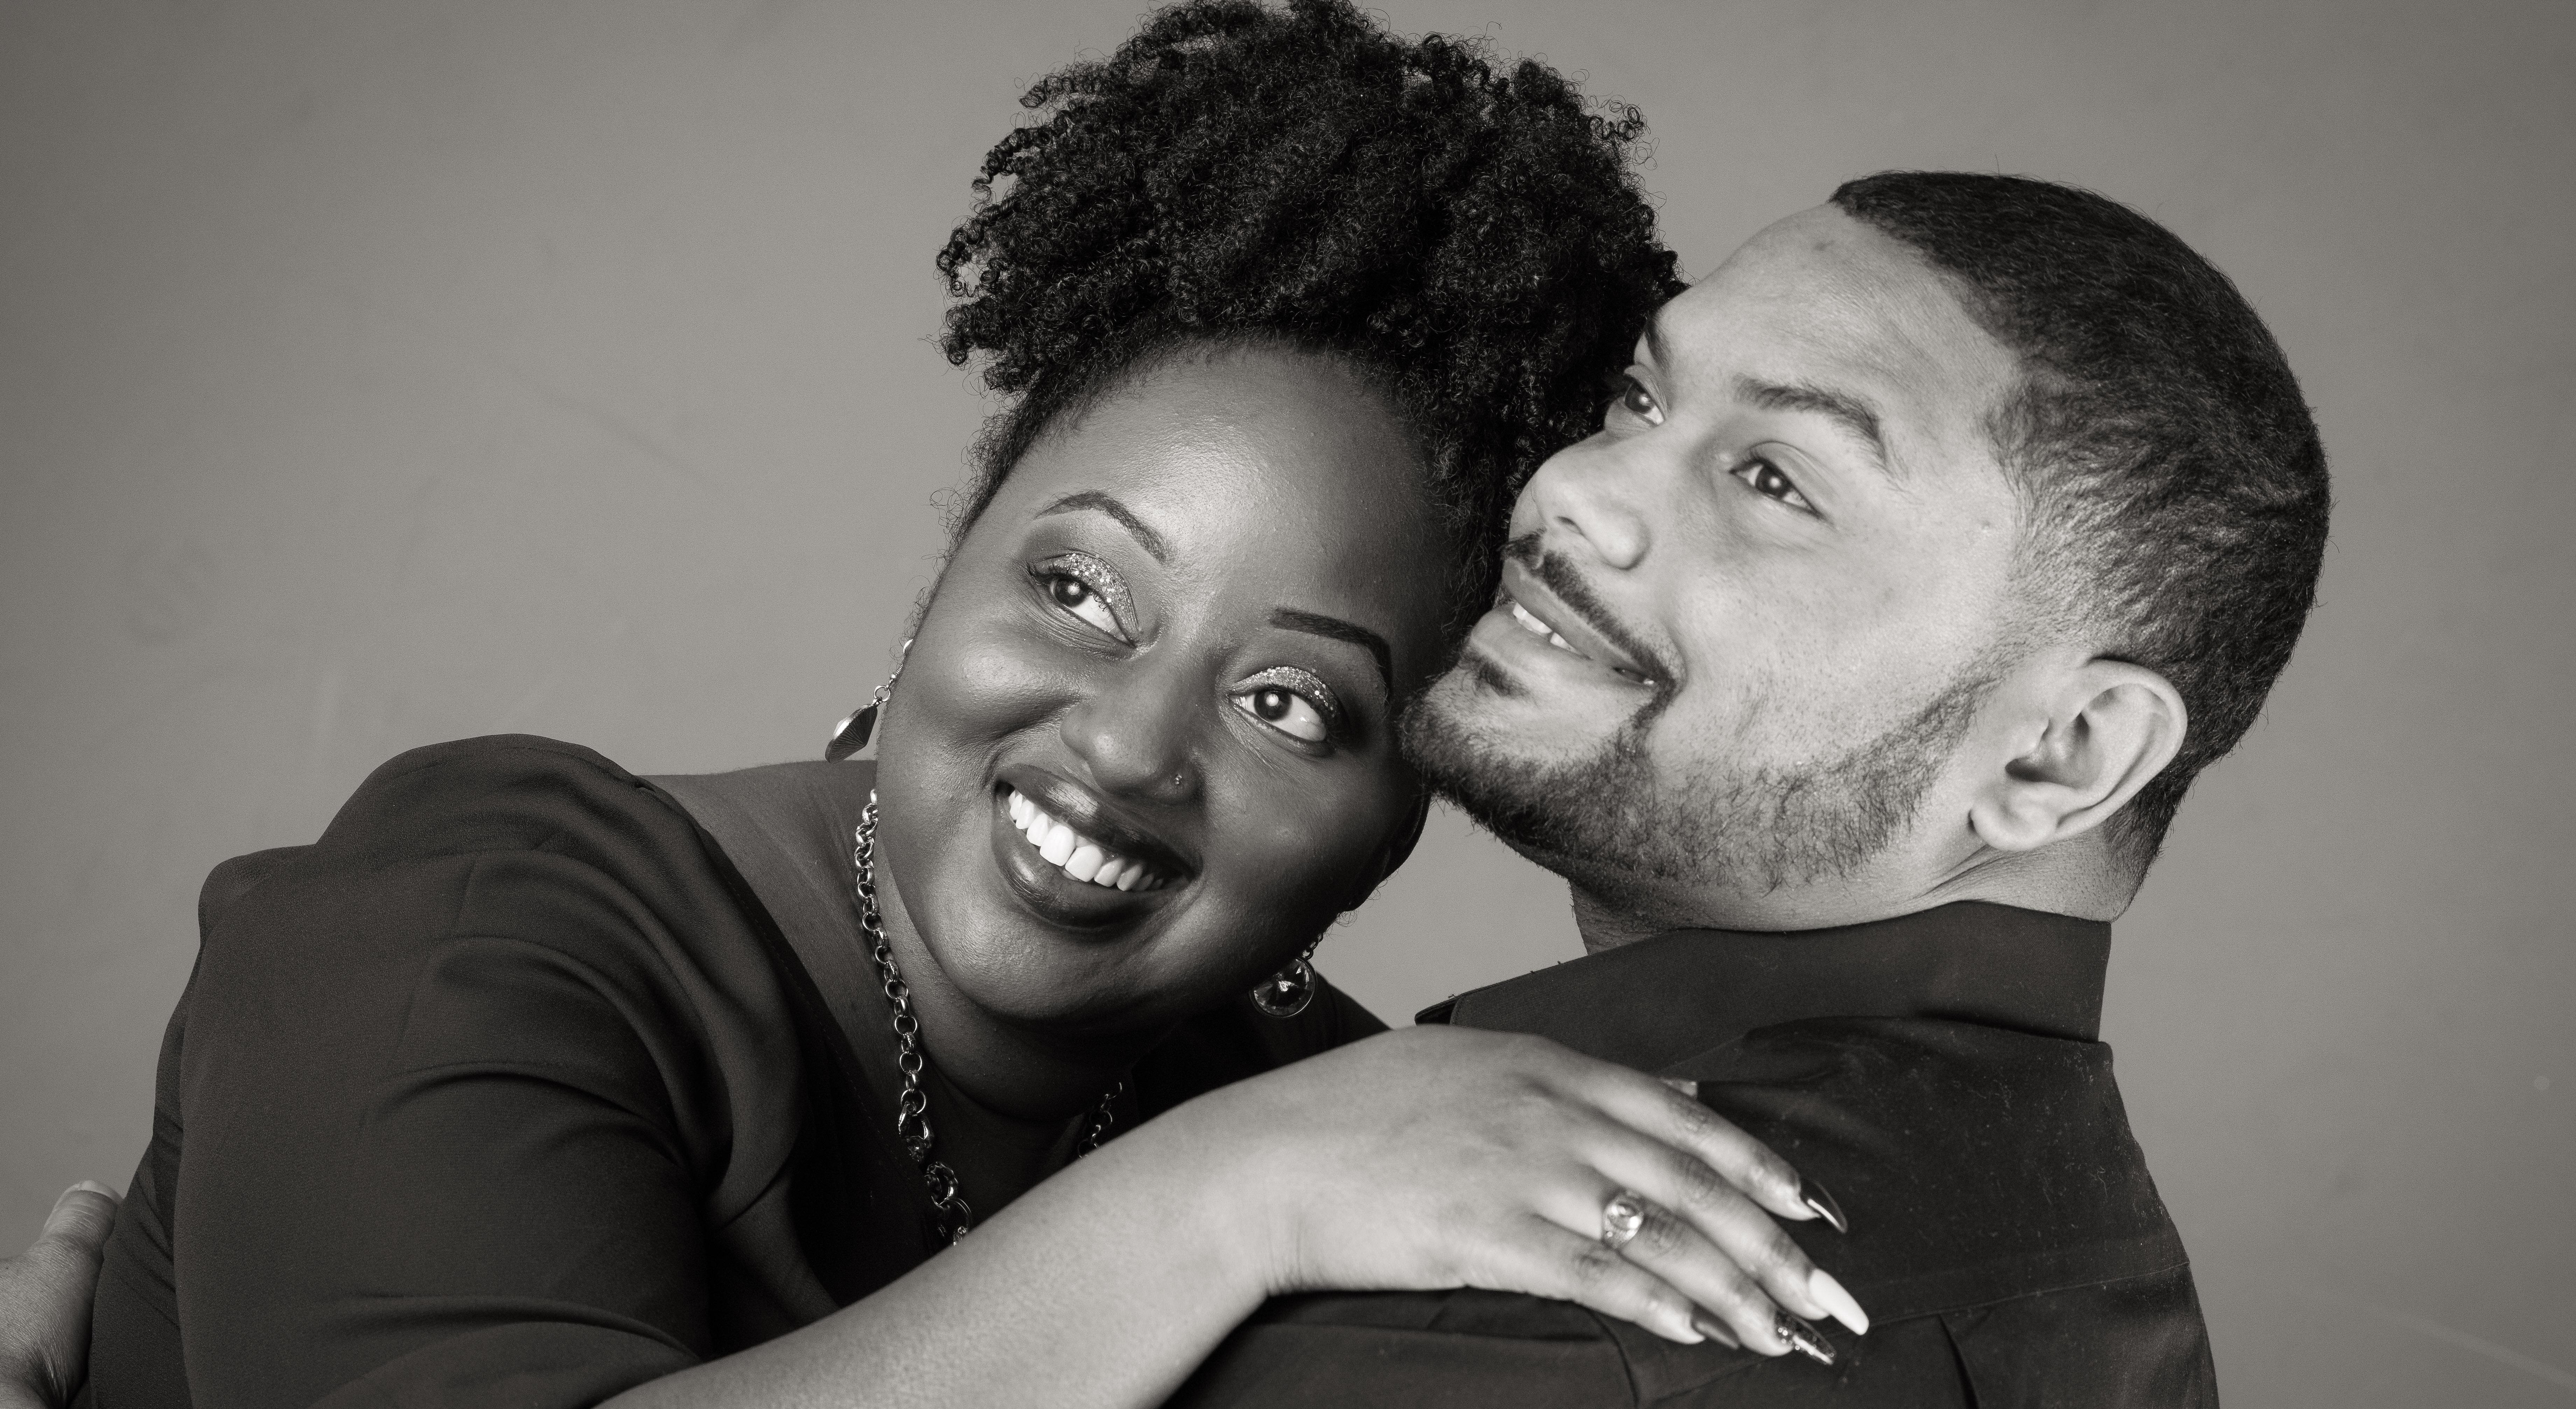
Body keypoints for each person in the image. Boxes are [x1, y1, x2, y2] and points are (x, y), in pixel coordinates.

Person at [69, 5, 1866, 1408]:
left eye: (1289, 702)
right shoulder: (472, 928)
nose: (1127, 745)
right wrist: (1226, 1201)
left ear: (1404, 810)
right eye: (1077, 591)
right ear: (951, 567)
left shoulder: (1352, 1111)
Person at [1169, 171, 2328, 1405]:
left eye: (1774, 479)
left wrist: (1223, 1194)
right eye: (1640, 396)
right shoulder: (2070, 1241)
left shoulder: (1546, 1320)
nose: (1575, 489)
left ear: (2064, 753)